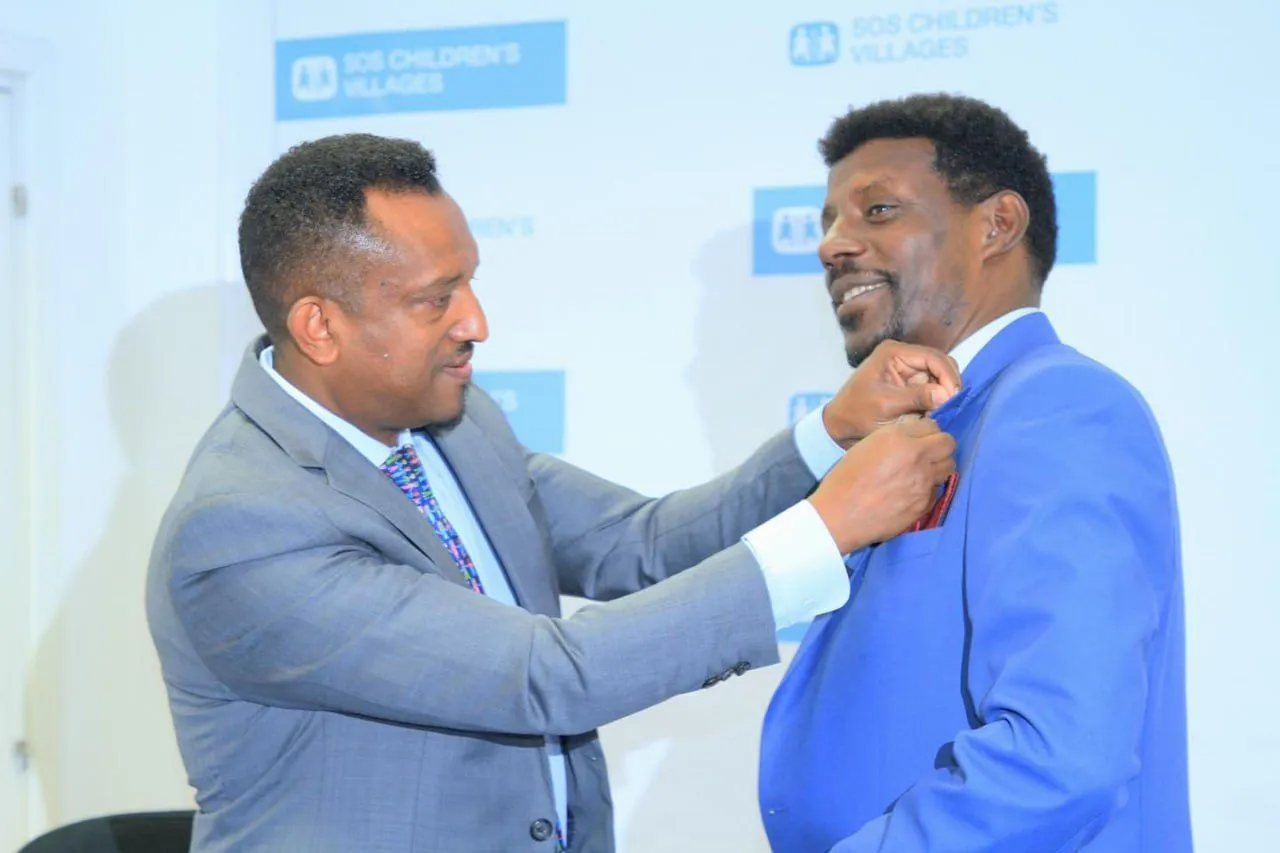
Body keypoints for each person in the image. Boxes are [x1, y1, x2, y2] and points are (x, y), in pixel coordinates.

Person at [145, 133, 960, 853]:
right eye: (435, 299)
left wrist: (828, 434)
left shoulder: (452, 419)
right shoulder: (243, 526)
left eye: (469, 281)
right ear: (319, 327)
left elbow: (639, 544)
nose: (476, 322)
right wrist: (825, 529)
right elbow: (545, 675)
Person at [758, 93, 1191, 852]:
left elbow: (1061, 756)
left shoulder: (1058, 406)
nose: (832, 245)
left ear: (998, 224)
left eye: (878, 210)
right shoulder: (929, 426)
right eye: (828, 222)